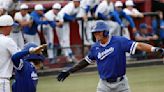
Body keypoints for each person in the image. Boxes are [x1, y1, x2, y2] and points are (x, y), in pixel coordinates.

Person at [57, 21, 164, 92]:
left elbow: (138, 45)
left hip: (121, 84)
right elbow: (85, 61)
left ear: (105, 32)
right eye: (94, 33)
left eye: (98, 32)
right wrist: (69, 71)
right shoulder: (95, 48)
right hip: (104, 85)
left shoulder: (119, 41)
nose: (96, 34)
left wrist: (153, 49)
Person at [0, 15, 19, 92]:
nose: (11, 29)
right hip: (2, 80)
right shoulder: (8, 40)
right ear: (6, 26)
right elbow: (18, 56)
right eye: (11, 26)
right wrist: (30, 51)